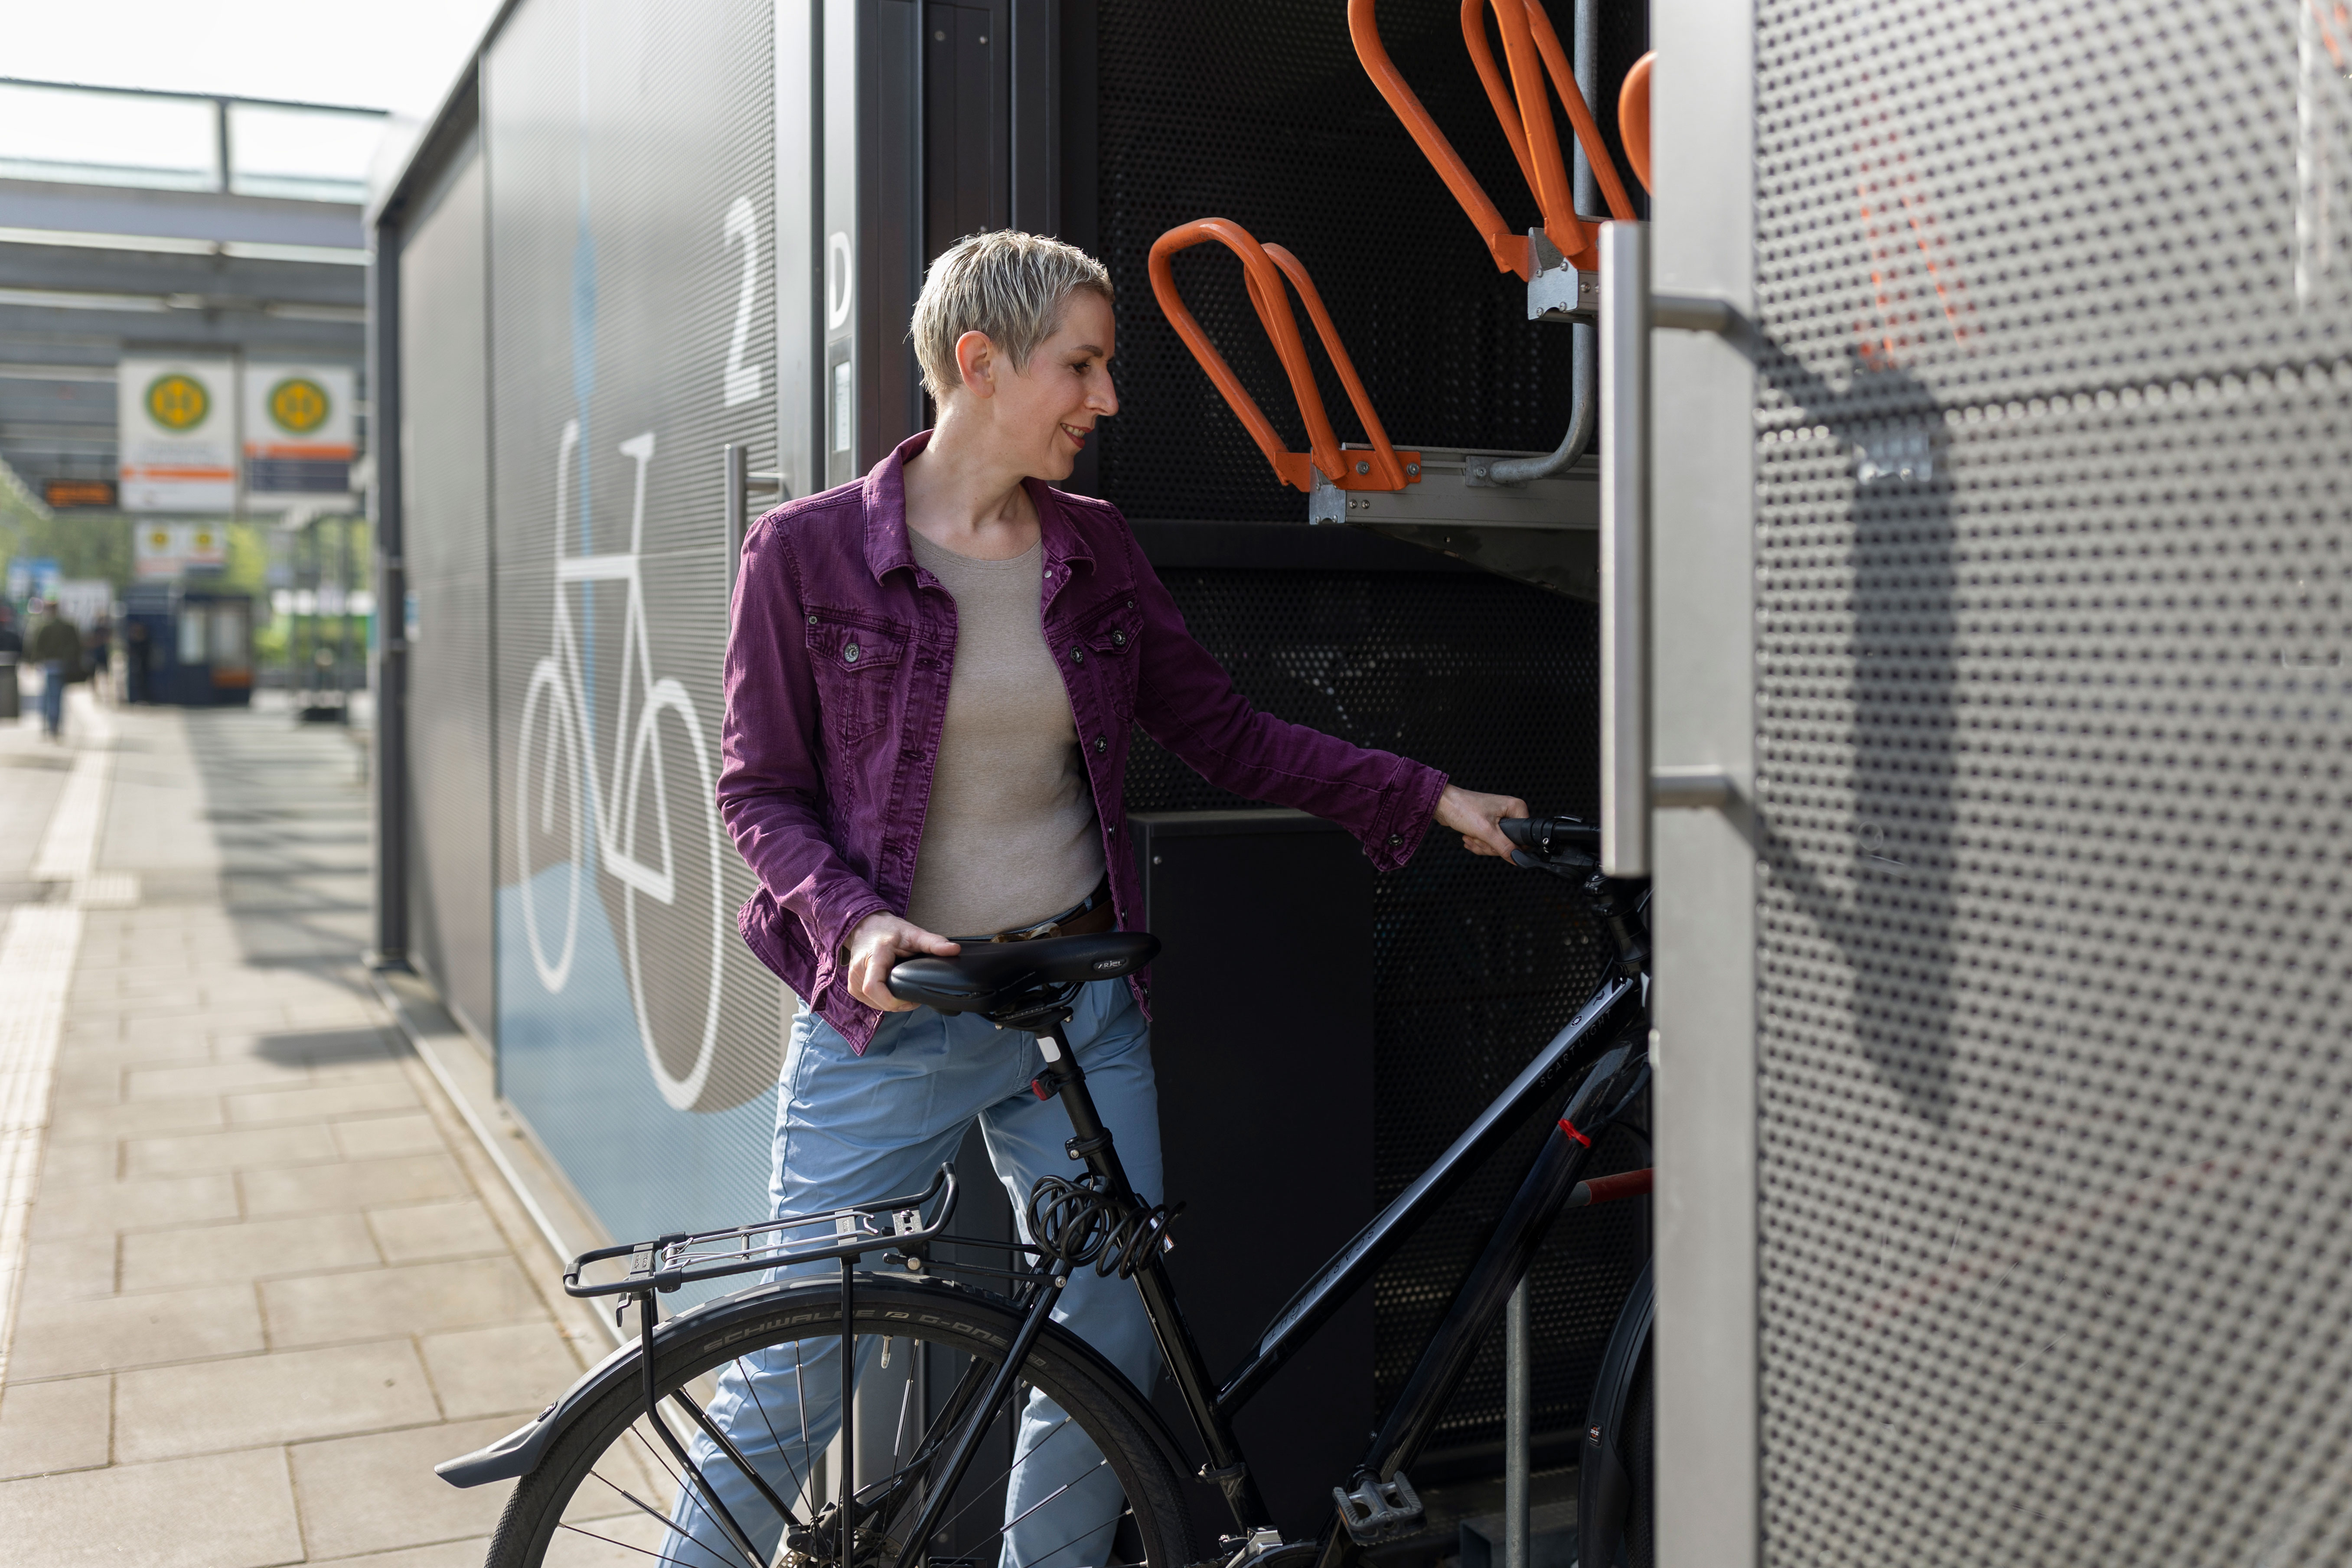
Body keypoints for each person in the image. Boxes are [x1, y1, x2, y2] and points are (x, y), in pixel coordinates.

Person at [685, 231, 1530, 1568]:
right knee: (797, 1357)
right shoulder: (803, 555)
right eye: (1079, 364)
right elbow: (757, 791)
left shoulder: (1092, 549)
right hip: (890, 1019)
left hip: (1075, 1003)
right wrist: (851, 919)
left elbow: (1227, 732)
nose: (1105, 397)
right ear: (979, 361)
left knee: (1103, 1338)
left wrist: (1421, 793)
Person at [26, 598, 81, 741]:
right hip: (63, 665)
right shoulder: (68, 626)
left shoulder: (43, 626)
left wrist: (32, 662)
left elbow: (36, 646)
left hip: (47, 665)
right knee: (57, 696)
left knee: (47, 696)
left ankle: (49, 724)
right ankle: (55, 724)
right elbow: (77, 646)